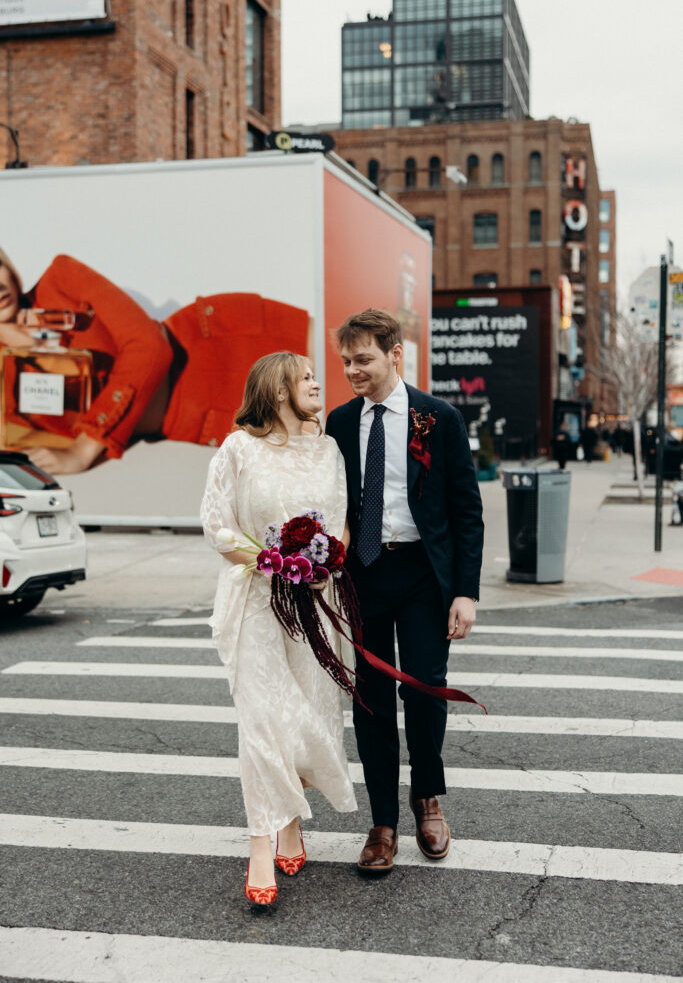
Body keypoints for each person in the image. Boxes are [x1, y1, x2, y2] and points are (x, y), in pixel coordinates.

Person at [326, 309, 484, 873]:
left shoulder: (438, 418)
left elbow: (467, 511)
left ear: (395, 355)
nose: (352, 371)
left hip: (422, 574)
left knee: (424, 690)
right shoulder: (340, 422)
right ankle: (382, 823)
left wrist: (465, 592)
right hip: (363, 574)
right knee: (369, 698)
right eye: (346, 361)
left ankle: (427, 799)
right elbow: (331, 501)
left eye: (363, 359)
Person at [200, 352, 357, 905]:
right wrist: (274, 565)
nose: (317, 383)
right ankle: (261, 842)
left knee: (307, 714)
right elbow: (217, 525)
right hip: (256, 600)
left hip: (314, 602)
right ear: (279, 389)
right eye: (306, 377)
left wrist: (324, 564)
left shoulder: (328, 449)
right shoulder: (237, 448)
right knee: (263, 719)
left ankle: (291, 822)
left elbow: (341, 520)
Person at [0, 250, 308, 473]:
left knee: (336, 365)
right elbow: (53, 453)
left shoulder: (61, 278)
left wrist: (84, 446)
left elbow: (150, 346)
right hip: (210, 419)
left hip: (225, 343)